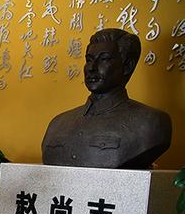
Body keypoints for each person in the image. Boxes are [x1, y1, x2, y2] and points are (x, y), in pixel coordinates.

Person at [42, 28, 172, 169]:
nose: (91, 68)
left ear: (127, 66)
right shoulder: (58, 124)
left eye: (104, 59)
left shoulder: (151, 122)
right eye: (89, 60)